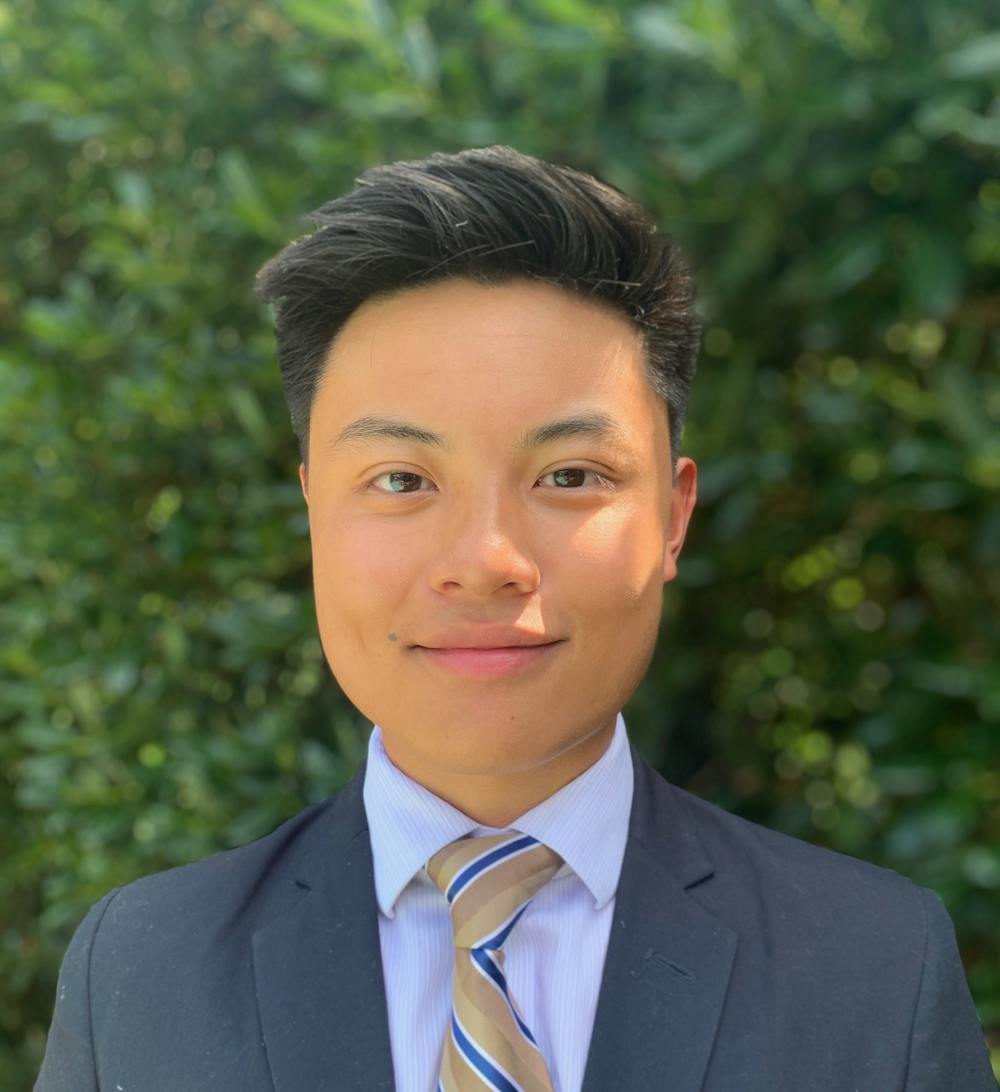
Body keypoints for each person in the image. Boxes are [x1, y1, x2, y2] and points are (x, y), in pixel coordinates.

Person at [35, 145, 996, 1091]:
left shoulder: (875, 968)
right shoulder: (141, 973)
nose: (486, 561)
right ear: (314, 512)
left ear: (671, 517)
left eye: (569, 475)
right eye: (401, 480)